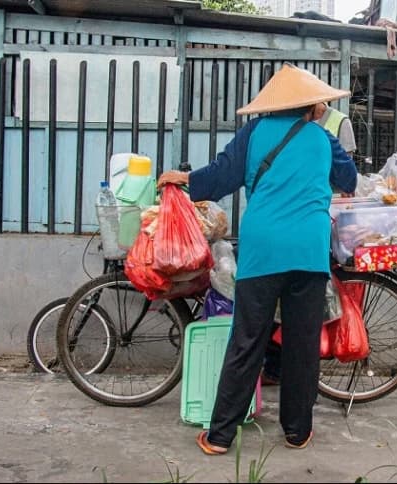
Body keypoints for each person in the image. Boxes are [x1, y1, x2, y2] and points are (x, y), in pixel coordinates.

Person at [158, 64, 357, 454]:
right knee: (302, 343)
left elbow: (219, 178)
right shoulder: (323, 138)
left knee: (248, 340)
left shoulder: (253, 133)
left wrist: (184, 180)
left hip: (262, 250)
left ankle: (220, 436)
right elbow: (348, 180)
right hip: (308, 252)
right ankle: (297, 431)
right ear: (309, 105)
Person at [259, 101, 357, 387]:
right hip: (309, 229)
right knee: (292, 311)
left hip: (290, 227)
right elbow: (347, 176)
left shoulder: (336, 124)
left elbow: (346, 180)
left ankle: (276, 371)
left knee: (278, 311)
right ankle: (281, 374)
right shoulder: (314, 134)